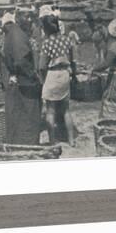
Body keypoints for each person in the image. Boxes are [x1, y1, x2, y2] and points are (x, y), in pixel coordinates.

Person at [2, 8, 42, 145]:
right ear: (18, 18)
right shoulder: (18, 35)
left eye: (31, 16)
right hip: (24, 81)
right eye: (26, 16)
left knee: (17, 115)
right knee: (30, 116)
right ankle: (29, 145)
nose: (29, 20)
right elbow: (21, 61)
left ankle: (19, 144)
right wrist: (33, 75)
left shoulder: (14, 32)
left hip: (17, 79)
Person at [38, 10, 77, 146]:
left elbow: (42, 66)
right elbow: (73, 60)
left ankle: (53, 140)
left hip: (53, 74)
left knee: (50, 110)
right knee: (66, 109)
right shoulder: (67, 40)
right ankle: (71, 140)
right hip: (65, 73)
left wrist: (42, 80)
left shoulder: (47, 43)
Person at [92, 18, 116, 119]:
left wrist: (94, 69)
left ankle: (110, 123)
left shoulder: (115, 46)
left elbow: (106, 63)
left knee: (110, 102)